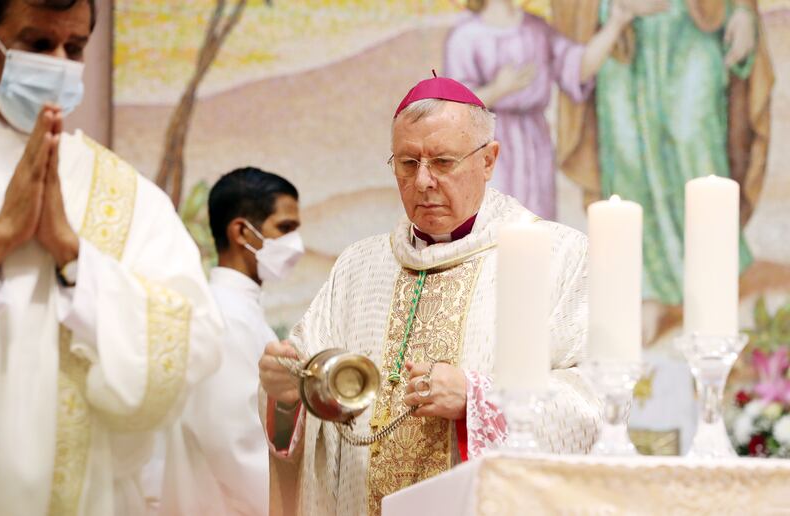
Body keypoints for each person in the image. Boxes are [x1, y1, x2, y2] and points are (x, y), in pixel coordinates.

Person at [258, 75, 601, 516]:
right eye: (407, 163)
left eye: (442, 161)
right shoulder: (358, 268)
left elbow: (594, 402)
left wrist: (478, 398)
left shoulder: (557, 256)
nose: (422, 181)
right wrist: (287, 395)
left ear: (489, 160)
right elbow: (311, 392)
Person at [0, 1, 223, 515]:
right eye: (36, 44)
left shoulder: (124, 194)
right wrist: (2, 238)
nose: (58, 63)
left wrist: (75, 258)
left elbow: (194, 341)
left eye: (73, 49)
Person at [554, 0, 774, 332]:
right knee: (626, 153)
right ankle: (647, 289)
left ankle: (710, 282)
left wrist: (743, 10)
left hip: (693, 22)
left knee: (694, 138)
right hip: (623, 32)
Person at [159, 168, 303, 516]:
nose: (296, 244)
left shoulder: (239, 311)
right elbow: (235, 448)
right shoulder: (225, 318)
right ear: (241, 231)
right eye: (284, 228)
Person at [444, 0, 667, 220]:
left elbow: (578, 67)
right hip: (488, 146)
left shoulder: (536, 29)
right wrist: (498, 89)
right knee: (493, 221)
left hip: (535, 143)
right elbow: (454, 105)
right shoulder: (465, 36)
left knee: (537, 220)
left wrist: (615, 23)